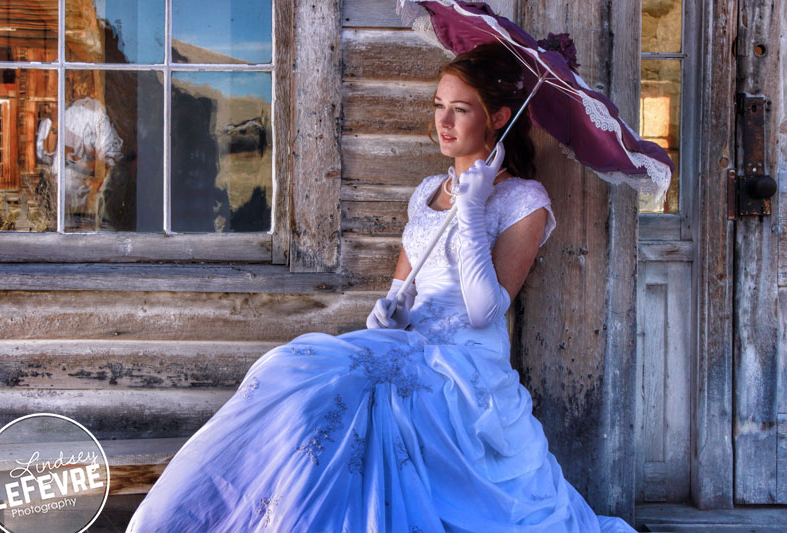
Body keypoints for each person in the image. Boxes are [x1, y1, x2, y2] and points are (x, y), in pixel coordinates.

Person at [126, 43, 636, 533]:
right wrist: (390, 311)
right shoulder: (426, 192)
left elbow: (484, 312)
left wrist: (474, 209)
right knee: (299, 382)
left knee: (368, 407)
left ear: (498, 117)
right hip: (407, 344)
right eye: (439, 106)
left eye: (460, 110)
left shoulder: (525, 200)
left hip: (465, 365)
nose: (442, 122)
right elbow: (403, 289)